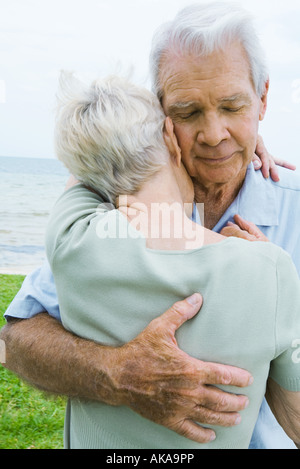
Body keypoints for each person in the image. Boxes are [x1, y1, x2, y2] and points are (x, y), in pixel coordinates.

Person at [1, 1, 299, 448]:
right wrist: (117, 372)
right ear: (161, 118)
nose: (214, 133)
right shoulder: (112, 207)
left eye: (232, 106)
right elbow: (18, 339)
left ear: (263, 99)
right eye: (188, 112)